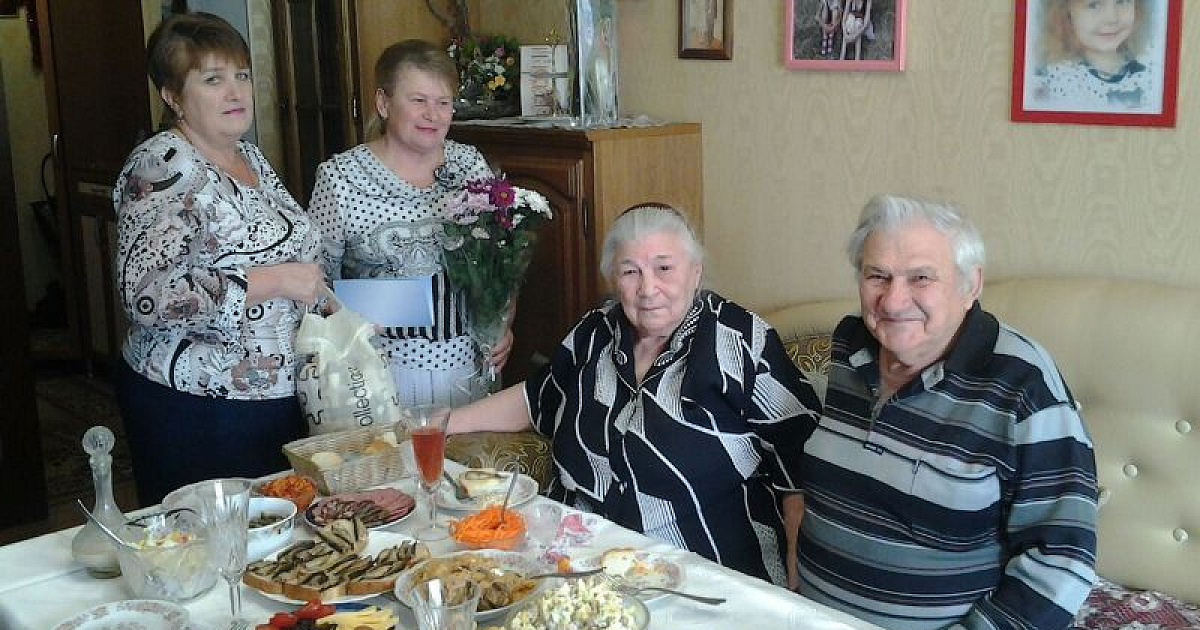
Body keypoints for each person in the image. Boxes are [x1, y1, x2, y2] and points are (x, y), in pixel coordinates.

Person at [449, 203, 821, 587]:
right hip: (581, 564)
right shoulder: (594, 333)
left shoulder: (738, 341)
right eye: (631, 271)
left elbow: (799, 464)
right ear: (613, 278)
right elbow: (538, 396)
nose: (648, 289)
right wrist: (438, 424)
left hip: (705, 575)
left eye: (664, 268)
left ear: (696, 272)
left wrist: (799, 580)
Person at [797, 195, 1098, 630]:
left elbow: (1063, 560)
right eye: (877, 275)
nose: (893, 301)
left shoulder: (1021, 384)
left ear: (970, 285)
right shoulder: (851, 346)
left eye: (921, 278)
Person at [113, 12, 324, 505]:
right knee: (211, 537)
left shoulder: (248, 157)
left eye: (241, 76)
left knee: (275, 535)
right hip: (197, 404)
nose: (235, 92)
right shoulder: (163, 165)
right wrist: (271, 281)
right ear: (172, 96)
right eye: (212, 80)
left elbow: (293, 253)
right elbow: (146, 295)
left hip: (271, 399)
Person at [309, 39, 512, 408]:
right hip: (376, 374)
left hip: (470, 364)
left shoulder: (470, 165)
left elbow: (500, 260)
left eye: (443, 102)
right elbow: (315, 283)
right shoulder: (340, 177)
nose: (432, 115)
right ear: (384, 103)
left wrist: (503, 323)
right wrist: (363, 313)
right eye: (418, 100)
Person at [1032, 0, 1155, 109]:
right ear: (1066, 12)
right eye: (1093, 5)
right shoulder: (1052, 81)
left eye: (1122, 1)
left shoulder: (1151, 73)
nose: (1111, 19)